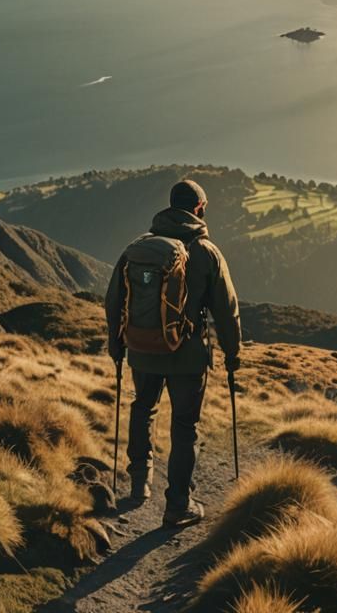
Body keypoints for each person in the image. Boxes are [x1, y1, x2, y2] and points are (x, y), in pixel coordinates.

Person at [105, 178, 241, 527]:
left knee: (143, 407)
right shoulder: (206, 252)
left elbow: (114, 299)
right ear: (198, 209)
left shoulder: (139, 248)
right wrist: (232, 352)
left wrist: (116, 343)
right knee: (184, 425)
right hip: (187, 356)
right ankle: (178, 504)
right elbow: (226, 308)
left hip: (142, 349)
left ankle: (140, 482)